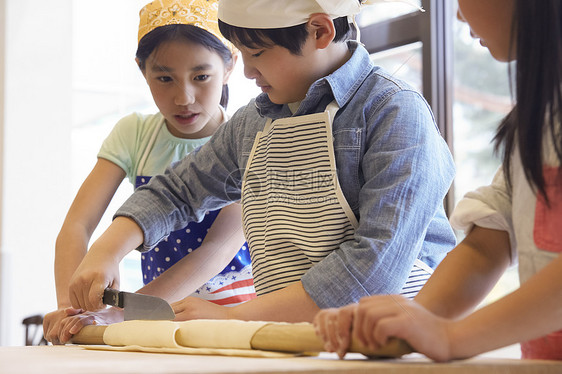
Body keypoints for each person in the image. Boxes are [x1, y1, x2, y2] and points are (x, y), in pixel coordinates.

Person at [67, 0, 456, 324]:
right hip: (289, 335)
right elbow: (178, 191)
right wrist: (106, 251)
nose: (249, 72)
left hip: (393, 337)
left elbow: (376, 265)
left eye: (257, 53)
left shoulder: (394, 112)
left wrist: (238, 317)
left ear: (320, 31)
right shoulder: (252, 123)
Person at [314, 0, 562, 362]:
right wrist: (416, 318)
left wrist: (452, 337)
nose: (458, 15)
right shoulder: (541, 114)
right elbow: (488, 244)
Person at [43, 0, 256, 344]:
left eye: (201, 76)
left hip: (234, 318)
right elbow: (76, 226)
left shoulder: (246, 138)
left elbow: (218, 249)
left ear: (230, 65)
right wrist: (73, 311)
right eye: (164, 78)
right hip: (155, 320)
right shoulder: (135, 134)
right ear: (142, 70)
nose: (183, 97)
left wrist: (126, 311)